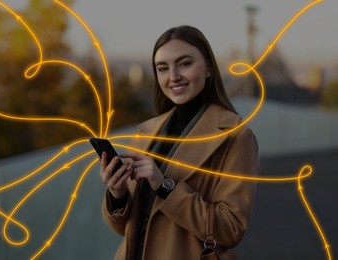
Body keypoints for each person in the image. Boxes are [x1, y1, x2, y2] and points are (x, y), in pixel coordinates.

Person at [100, 25, 259, 260]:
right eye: (163, 68)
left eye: (184, 64)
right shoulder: (146, 132)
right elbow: (125, 228)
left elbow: (230, 229)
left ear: (207, 67)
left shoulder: (236, 137)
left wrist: (164, 185)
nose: (173, 77)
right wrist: (117, 193)